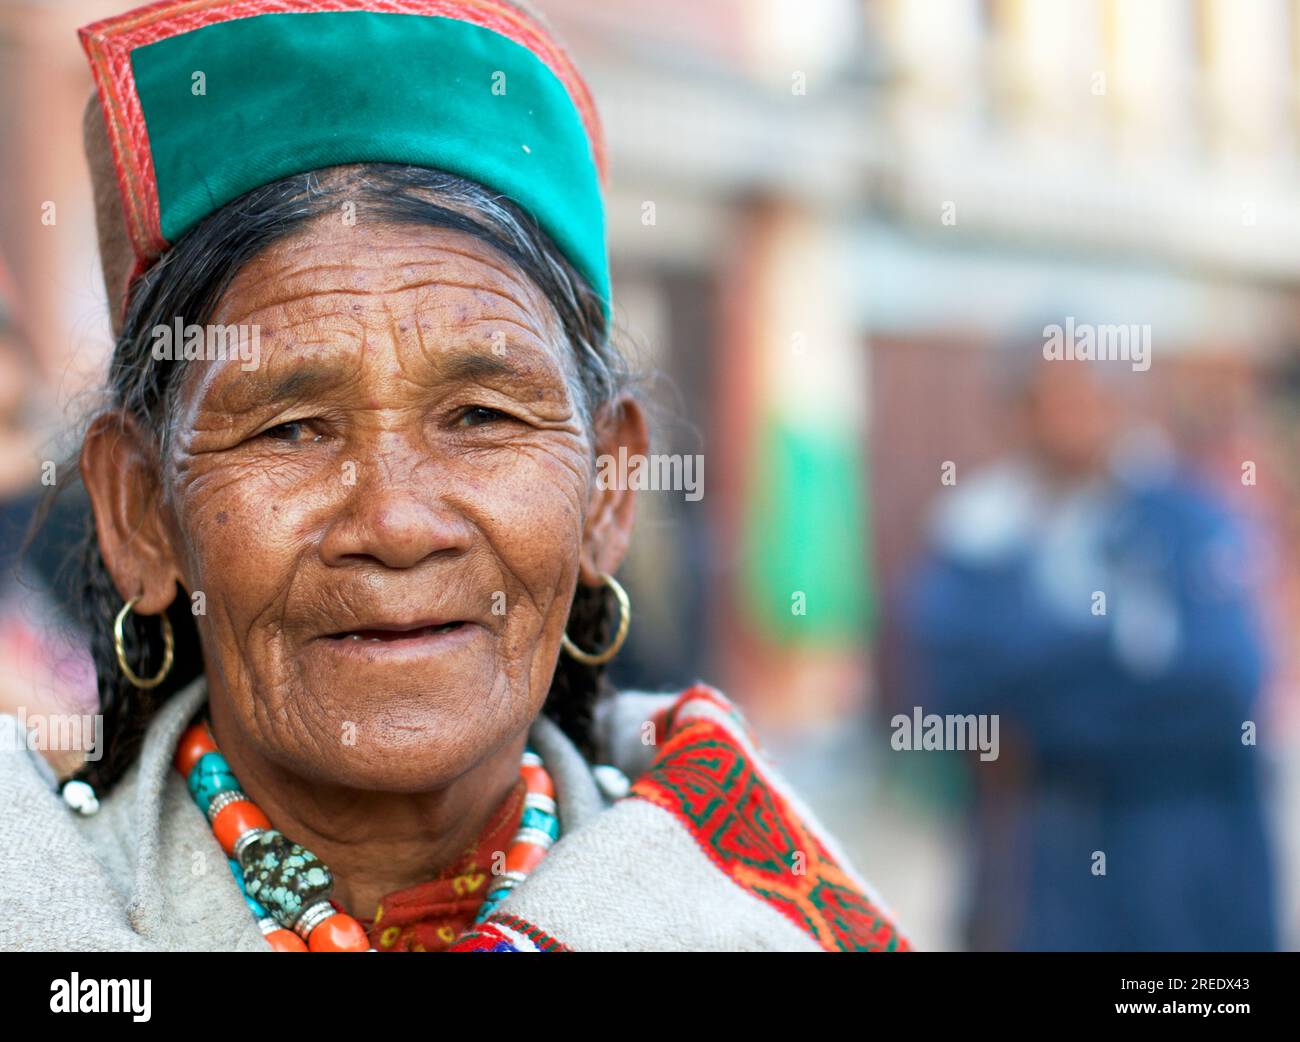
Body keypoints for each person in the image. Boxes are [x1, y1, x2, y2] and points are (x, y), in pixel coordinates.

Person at [0, 0, 908, 953]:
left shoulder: (748, 918)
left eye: (482, 417)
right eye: (294, 427)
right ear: (140, 511)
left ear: (607, 489)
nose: (395, 521)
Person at [901, 345, 1277, 951]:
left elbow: (1225, 683)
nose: (1071, 418)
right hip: (1037, 877)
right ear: (1017, 412)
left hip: (1179, 877)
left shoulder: (1187, 522)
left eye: (1088, 396)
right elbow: (957, 703)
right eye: (1050, 400)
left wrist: (1044, 702)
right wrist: (1126, 668)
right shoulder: (976, 532)